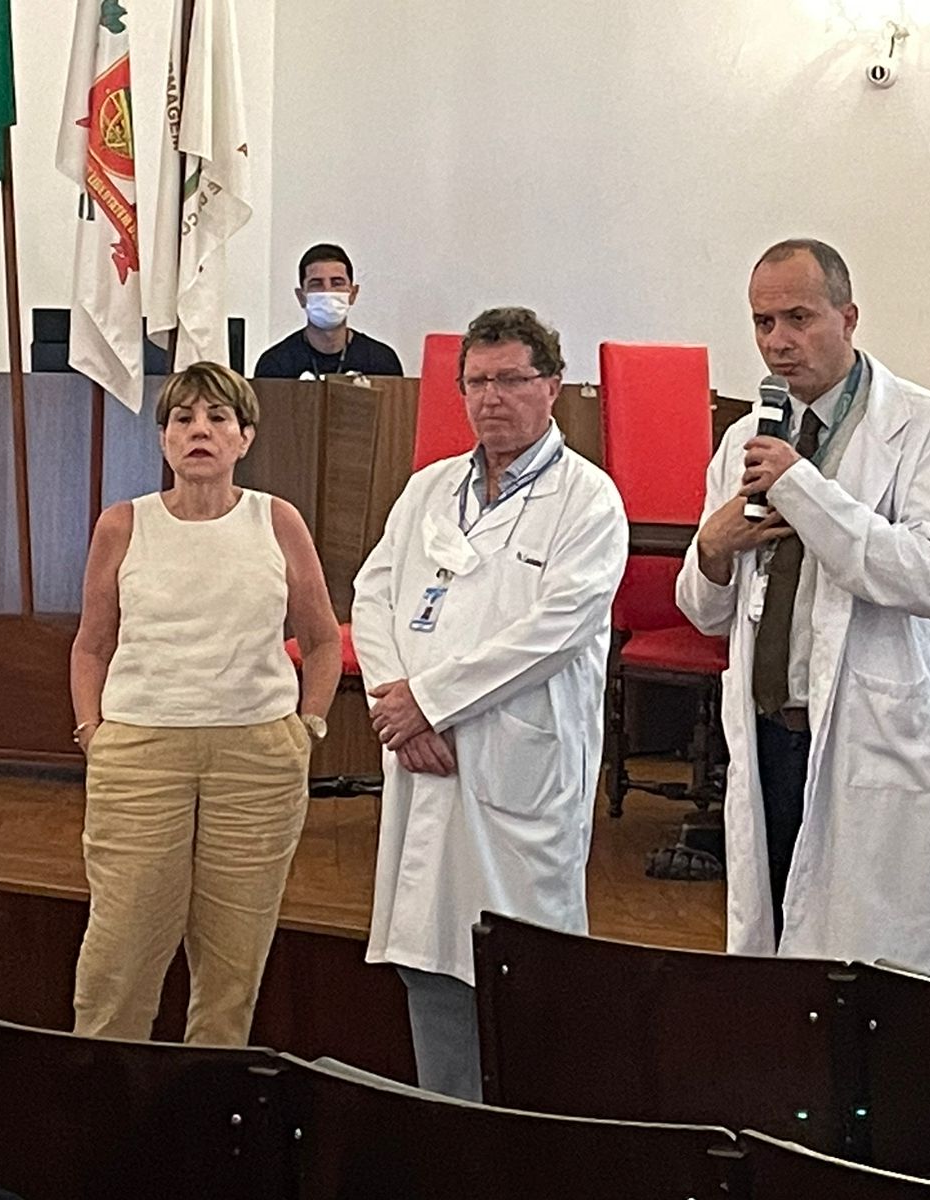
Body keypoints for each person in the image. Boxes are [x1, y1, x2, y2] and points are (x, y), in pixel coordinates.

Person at [676, 239, 930, 979]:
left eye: (799, 318)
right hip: (767, 732)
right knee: (777, 955)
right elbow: (709, 615)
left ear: (848, 316)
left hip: (868, 734)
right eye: (763, 322)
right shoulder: (747, 438)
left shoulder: (923, 426)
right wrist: (712, 549)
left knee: (869, 969)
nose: (778, 341)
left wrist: (802, 488)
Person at [350, 306, 627, 1099]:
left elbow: (555, 631)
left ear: (553, 387)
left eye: (510, 379)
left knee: (522, 976)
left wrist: (430, 702)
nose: (491, 398)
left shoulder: (588, 501)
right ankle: (448, 1130)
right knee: (427, 960)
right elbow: (373, 597)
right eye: (476, 382)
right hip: (423, 756)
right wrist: (397, 705)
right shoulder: (429, 490)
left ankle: (529, 1143)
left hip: (518, 765)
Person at [69, 362, 341, 1046]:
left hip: (257, 758)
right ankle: (104, 1096)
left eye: (218, 418)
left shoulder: (277, 520)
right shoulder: (122, 524)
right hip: (140, 754)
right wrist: (93, 732)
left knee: (232, 962)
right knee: (119, 952)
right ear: (163, 437)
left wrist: (308, 727)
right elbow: (92, 644)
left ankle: (208, 1103)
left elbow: (322, 639)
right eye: (183, 418)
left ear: (244, 437)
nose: (200, 431)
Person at [253, 243, 404, 379]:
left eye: (337, 283)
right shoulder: (275, 364)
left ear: (353, 294)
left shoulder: (382, 361)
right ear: (301, 297)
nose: (327, 291)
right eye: (316, 284)